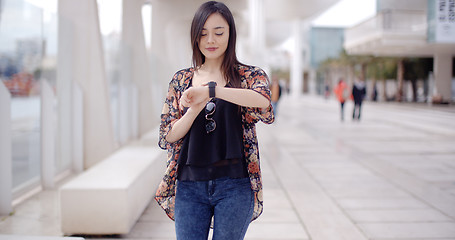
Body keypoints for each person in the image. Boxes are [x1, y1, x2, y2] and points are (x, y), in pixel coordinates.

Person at [155, 1, 274, 239]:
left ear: (230, 33)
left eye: (218, 32)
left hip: (235, 185)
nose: (211, 40)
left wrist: (212, 90)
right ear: (195, 37)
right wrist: (193, 109)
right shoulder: (182, 80)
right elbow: (168, 135)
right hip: (189, 186)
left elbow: (263, 101)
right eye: (203, 33)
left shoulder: (248, 76)